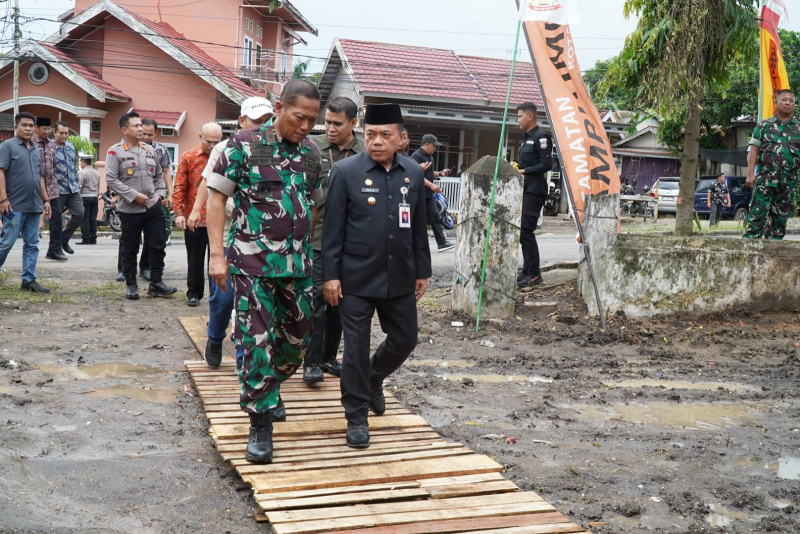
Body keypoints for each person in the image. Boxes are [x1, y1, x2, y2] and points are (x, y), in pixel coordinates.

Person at [207, 80, 322, 464]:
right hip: (251, 263)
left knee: (299, 341)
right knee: (255, 340)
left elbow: (312, 205)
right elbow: (217, 198)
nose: (305, 126)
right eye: (299, 117)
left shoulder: (311, 152)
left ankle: (269, 387)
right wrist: (217, 255)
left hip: (298, 266)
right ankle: (260, 422)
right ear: (279, 107)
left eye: (312, 120)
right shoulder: (242, 144)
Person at [322, 103, 432, 449]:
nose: (377, 141)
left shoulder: (412, 172)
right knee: (354, 348)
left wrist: (422, 270)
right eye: (371, 135)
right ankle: (356, 415)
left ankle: (372, 378)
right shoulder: (345, 171)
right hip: (354, 277)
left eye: (386, 135)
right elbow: (331, 229)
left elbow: (418, 225)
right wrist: (330, 275)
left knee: (406, 339)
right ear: (363, 135)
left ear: (401, 139)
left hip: (399, 273)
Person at [190, 97, 273, 369]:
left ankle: (243, 360)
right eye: (256, 122)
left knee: (253, 303)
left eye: (267, 121)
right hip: (228, 234)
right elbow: (208, 184)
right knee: (224, 298)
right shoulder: (225, 148)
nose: (262, 127)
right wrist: (195, 210)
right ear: (241, 122)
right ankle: (215, 338)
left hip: (260, 241)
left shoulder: (276, 150)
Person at [303, 96, 365, 385]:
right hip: (316, 237)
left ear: (353, 123)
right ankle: (311, 362)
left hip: (351, 242)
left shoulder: (364, 151)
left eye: (337, 124)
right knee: (316, 300)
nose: (329, 128)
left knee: (340, 302)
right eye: (326, 122)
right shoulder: (311, 147)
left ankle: (329, 356)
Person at [106, 112, 177, 300]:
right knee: (130, 248)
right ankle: (131, 284)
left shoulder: (149, 150)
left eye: (141, 126)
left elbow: (159, 174)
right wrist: (133, 196)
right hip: (130, 209)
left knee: (158, 244)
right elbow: (111, 179)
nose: (140, 129)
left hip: (153, 206)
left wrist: (161, 193)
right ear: (124, 130)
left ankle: (156, 283)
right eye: (136, 126)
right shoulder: (115, 151)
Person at [0, 112, 53, 293]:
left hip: (34, 205)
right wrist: (3, 199)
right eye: (24, 125)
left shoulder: (36, 150)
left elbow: (39, 177)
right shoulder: (7, 146)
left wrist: (45, 200)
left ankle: (28, 280)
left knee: (32, 244)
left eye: (31, 125)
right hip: (13, 206)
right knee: (7, 242)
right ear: (16, 127)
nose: (28, 128)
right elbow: (0, 173)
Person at [173, 123, 223, 307]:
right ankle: (194, 292)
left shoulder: (225, 157)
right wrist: (178, 213)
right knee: (195, 257)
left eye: (216, 142)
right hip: (194, 218)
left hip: (219, 219)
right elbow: (179, 186)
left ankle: (216, 294)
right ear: (200, 137)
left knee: (217, 257)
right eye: (209, 141)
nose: (212, 145)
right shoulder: (188, 157)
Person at [744, 89, 800, 239]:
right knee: (756, 217)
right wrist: (750, 173)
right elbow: (753, 150)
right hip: (765, 180)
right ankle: (749, 253)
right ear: (776, 103)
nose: (787, 103)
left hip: (788, 183)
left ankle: (773, 256)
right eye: (784, 100)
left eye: (791, 100)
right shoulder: (764, 126)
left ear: (794, 104)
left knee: (779, 222)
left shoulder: (798, 128)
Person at [516, 102, 553, 287]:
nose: (518, 120)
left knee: (526, 231)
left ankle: (535, 274)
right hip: (524, 190)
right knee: (521, 232)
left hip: (535, 190)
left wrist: (524, 171)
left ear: (530, 116)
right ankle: (526, 271)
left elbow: (547, 165)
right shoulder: (525, 138)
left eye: (520, 116)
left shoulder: (541, 137)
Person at [410, 134, 455, 252]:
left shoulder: (431, 157)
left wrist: (440, 173)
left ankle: (442, 243)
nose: (435, 148)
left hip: (429, 194)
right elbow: (416, 175)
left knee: (435, 216)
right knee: (418, 220)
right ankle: (413, 245)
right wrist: (431, 185)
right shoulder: (416, 156)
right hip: (419, 194)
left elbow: (430, 172)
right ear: (427, 144)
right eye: (434, 146)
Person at [32, 117, 64, 262]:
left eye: (48, 129)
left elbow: (54, 164)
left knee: (57, 219)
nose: (46, 132)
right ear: (36, 128)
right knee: (29, 219)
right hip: (34, 187)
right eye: (43, 128)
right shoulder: (30, 142)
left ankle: (54, 250)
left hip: (52, 188)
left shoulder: (52, 144)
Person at [52, 121, 84, 255]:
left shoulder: (70, 146)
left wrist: (77, 183)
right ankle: (56, 248)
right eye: (61, 133)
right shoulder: (49, 148)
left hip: (73, 189)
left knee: (79, 214)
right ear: (54, 133)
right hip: (58, 190)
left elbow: (74, 167)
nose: (64, 136)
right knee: (56, 220)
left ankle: (64, 239)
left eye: (66, 133)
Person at [141, 118, 174, 245]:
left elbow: (166, 172)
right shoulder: (130, 148)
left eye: (150, 134)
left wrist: (170, 194)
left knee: (156, 233)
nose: (146, 137)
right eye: (144, 133)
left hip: (156, 194)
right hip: (136, 194)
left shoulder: (161, 150)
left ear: (156, 132)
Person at [77, 154, 101, 244]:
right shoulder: (97, 173)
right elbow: (98, 186)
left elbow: (79, 186)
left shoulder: (83, 172)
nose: (81, 164)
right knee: (93, 219)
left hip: (85, 198)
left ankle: (86, 239)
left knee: (85, 218)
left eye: (81, 162)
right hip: (95, 198)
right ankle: (93, 238)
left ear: (84, 162)